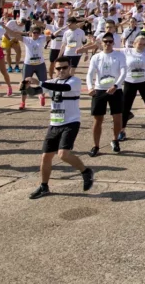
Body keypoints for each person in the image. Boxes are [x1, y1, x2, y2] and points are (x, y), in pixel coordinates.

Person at [26, 59, 95, 199]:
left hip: (71, 122)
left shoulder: (75, 81)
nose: (61, 71)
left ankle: (85, 171)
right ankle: (44, 186)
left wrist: (39, 81)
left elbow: (64, 89)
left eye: (64, 68)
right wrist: (26, 86)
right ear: (55, 69)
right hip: (55, 123)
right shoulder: (52, 82)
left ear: (69, 68)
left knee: (63, 154)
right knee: (46, 157)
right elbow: (35, 92)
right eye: (58, 68)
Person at [80, 33, 126, 156]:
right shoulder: (96, 57)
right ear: (101, 42)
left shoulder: (119, 55)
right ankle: (96, 145)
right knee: (98, 119)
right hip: (100, 89)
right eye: (105, 41)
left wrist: (116, 85)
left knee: (117, 118)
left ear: (113, 43)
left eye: (110, 41)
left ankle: (115, 139)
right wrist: (90, 87)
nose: (107, 44)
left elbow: (123, 72)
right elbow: (90, 73)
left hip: (115, 89)